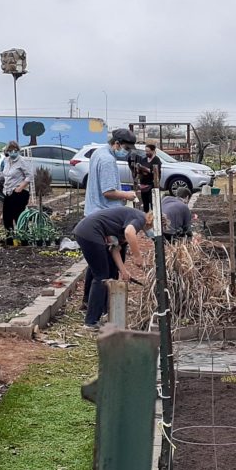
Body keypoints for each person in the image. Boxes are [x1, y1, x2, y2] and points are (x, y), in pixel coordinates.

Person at [82, 128, 139, 309]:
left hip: (93, 213)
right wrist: (127, 195)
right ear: (116, 144)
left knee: (96, 265)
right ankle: (106, 306)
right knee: (108, 267)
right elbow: (108, 192)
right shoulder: (107, 160)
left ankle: (87, 301)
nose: (127, 152)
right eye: (126, 148)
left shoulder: (98, 153)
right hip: (104, 216)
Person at [74, 207, 153, 327]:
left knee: (101, 271)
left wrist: (124, 271)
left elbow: (114, 249)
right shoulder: (140, 218)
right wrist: (138, 256)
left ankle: (101, 309)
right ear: (152, 222)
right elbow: (129, 233)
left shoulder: (128, 220)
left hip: (85, 230)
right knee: (101, 276)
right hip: (91, 232)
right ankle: (91, 321)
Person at [0, 141, 33, 244]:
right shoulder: (6, 160)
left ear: (18, 150)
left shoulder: (22, 161)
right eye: (10, 150)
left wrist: (21, 186)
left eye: (15, 150)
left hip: (19, 193)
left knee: (18, 217)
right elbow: (3, 174)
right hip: (7, 192)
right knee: (7, 218)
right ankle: (10, 240)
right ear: (7, 151)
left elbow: (30, 176)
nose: (13, 152)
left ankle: (24, 240)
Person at [136, 144, 162, 213]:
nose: (146, 153)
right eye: (146, 151)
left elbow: (155, 171)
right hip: (143, 185)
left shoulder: (156, 160)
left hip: (152, 185)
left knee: (153, 203)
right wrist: (139, 169)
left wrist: (145, 169)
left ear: (153, 151)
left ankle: (154, 216)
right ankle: (146, 216)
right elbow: (139, 171)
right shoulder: (144, 160)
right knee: (145, 204)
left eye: (148, 151)